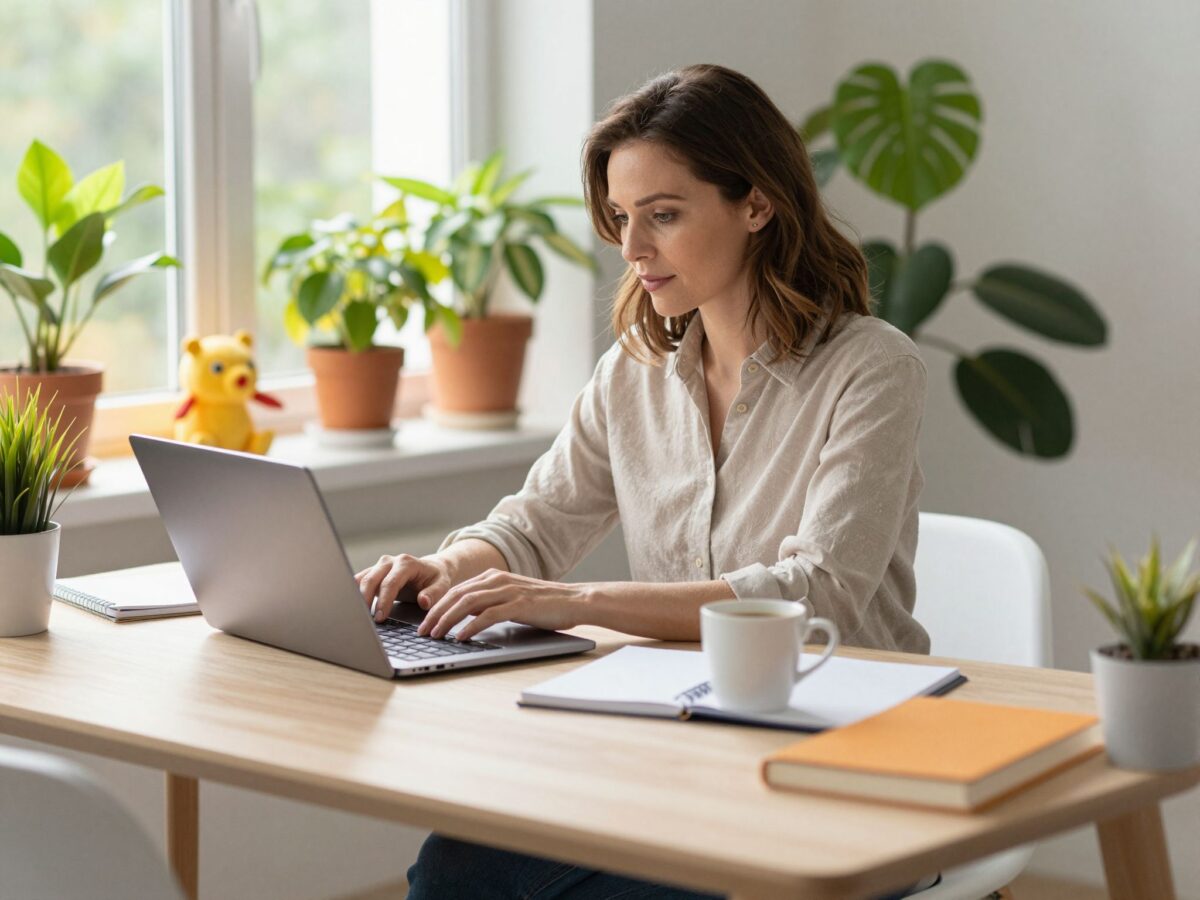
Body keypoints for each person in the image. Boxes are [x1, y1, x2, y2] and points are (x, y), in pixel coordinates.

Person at [356, 64, 931, 900]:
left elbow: (819, 596)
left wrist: (575, 604)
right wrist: (450, 568)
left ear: (757, 205)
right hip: (683, 748)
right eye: (623, 219)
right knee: (458, 863)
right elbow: (535, 526)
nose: (631, 250)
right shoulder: (635, 371)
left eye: (663, 216)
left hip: (839, 755)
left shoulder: (871, 367)